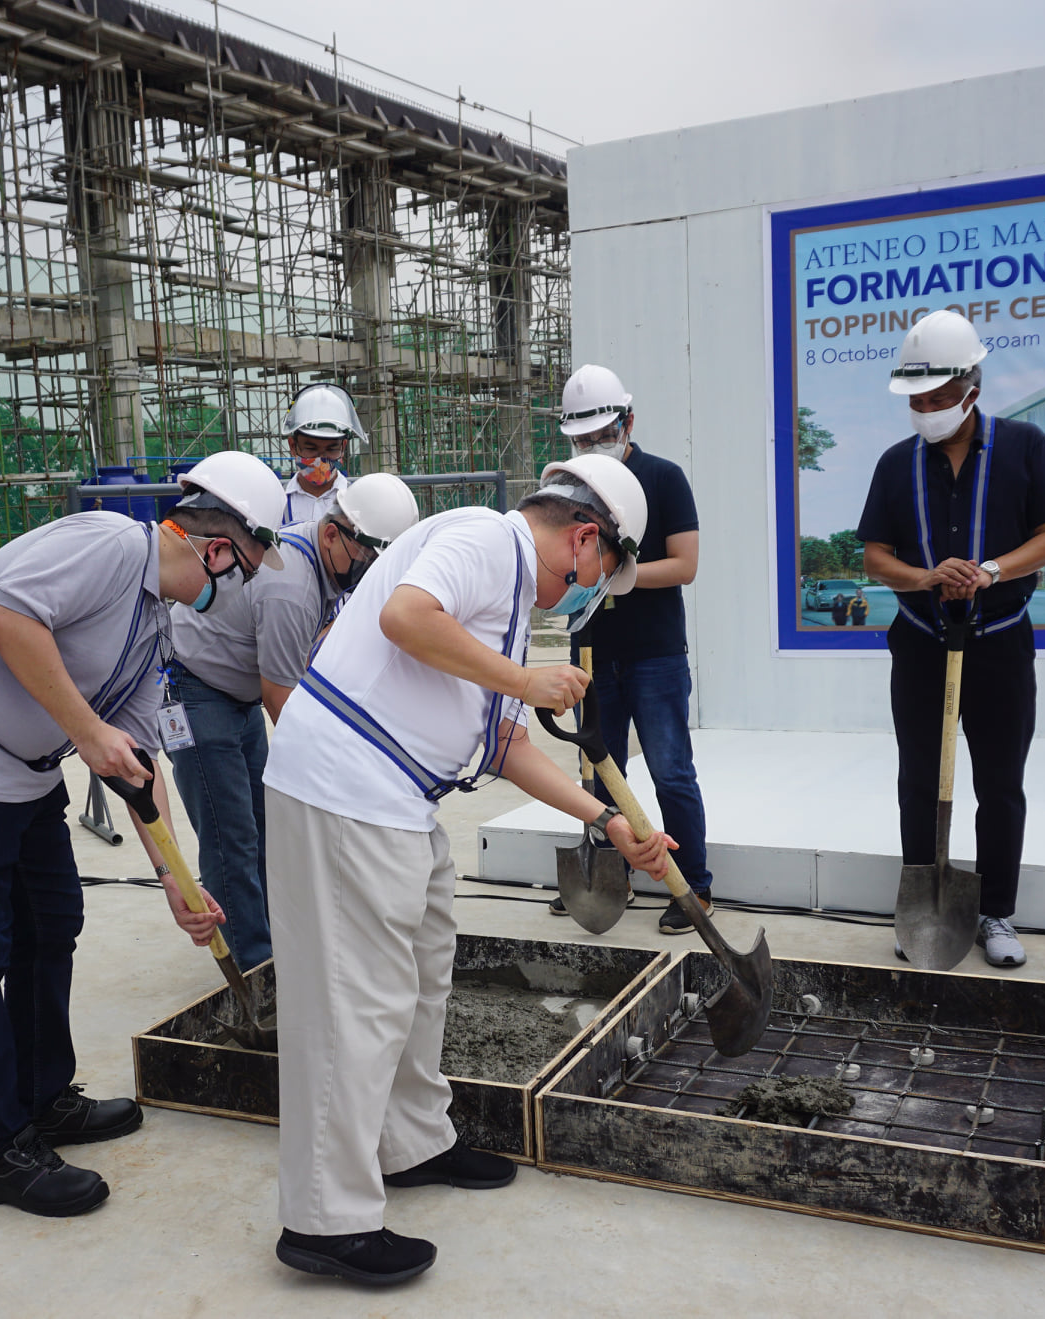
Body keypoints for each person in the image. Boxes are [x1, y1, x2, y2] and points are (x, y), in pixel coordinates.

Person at [257, 454, 675, 1286]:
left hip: (397, 798)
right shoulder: (485, 538)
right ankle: (324, 1219)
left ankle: (411, 1141)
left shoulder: (513, 598)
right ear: (584, 537)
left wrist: (607, 820)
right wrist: (526, 678)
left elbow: (509, 742)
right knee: (355, 1002)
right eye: (599, 574)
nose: (592, 590)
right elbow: (407, 617)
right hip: (348, 788)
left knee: (422, 972)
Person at [0, 450, 285, 1216]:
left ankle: (44, 1097)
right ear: (218, 549)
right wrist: (83, 730)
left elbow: (137, 759)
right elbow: (5, 613)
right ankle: (0, 1149)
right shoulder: (108, 544)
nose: (236, 588)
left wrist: (177, 881)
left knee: (52, 921)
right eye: (244, 569)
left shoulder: (156, 623)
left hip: (20, 764)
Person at [856, 309, 1045, 969]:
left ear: (972, 387)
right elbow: (875, 557)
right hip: (921, 640)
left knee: (1001, 781)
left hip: (1000, 640)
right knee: (920, 777)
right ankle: (922, 903)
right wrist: (925, 575)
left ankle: (996, 912)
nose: (926, 409)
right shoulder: (897, 464)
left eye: (938, 398)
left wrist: (990, 569)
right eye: (917, 400)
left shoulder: (1025, 446)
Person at [163, 471, 421, 970]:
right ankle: (255, 969)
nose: (368, 574)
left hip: (235, 692)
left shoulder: (324, 560)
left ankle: (270, 942)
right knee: (230, 836)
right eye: (366, 560)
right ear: (332, 534)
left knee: (263, 827)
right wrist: (339, 782)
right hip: (195, 692)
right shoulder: (293, 588)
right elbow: (282, 702)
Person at [548, 363, 713, 934]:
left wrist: (615, 572)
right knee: (597, 769)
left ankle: (692, 882)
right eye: (582, 437)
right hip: (591, 648)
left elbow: (685, 565)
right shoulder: (563, 487)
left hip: (654, 652)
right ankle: (601, 874)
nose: (593, 446)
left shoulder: (662, 477)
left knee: (670, 770)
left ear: (628, 421)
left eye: (602, 434)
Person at [280, 382, 365, 525]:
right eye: (311, 449)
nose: (320, 460)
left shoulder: (358, 504)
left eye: (331, 449)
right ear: (293, 446)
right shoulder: (278, 502)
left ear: (343, 447)